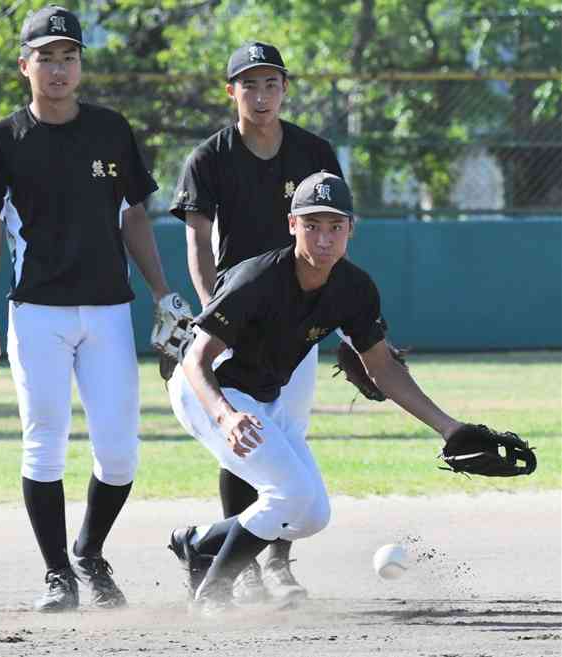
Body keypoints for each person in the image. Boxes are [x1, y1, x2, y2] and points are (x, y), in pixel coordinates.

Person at [0, 5, 177, 612]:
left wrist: (162, 293)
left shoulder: (111, 130)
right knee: (44, 442)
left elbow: (134, 214)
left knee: (119, 453)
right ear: (25, 65)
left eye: (69, 56)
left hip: (108, 310)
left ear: (81, 64)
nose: (58, 68)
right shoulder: (1, 138)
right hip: (38, 312)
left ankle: (88, 549)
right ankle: (58, 574)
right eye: (46, 57)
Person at [167, 171, 464, 616]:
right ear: (292, 226)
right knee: (286, 494)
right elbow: (195, 359)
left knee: (310, 516)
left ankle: (197, 542)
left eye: (334, 226)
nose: (323, 238)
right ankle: (213, 590)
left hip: (261, 398)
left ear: (351, 228)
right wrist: (226, 416)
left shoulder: (355, 288)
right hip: (209, 393)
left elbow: (381, 367)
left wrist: (450, 427)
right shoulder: (256, 279)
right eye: (312, 225)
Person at [169, 41, 344, 604]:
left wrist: (345, 330)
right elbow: (197, 238)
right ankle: (238, 565)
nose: (262, 94)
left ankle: (276, 562)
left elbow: (332, 231)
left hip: (297, 323)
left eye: (271, 83)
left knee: (287, 436)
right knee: (241, 436)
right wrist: (208, 311)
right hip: (236, 319)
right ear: (231, 92)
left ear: (285, 89)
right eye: (250, 84)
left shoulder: (314, 151)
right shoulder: (211, 157)